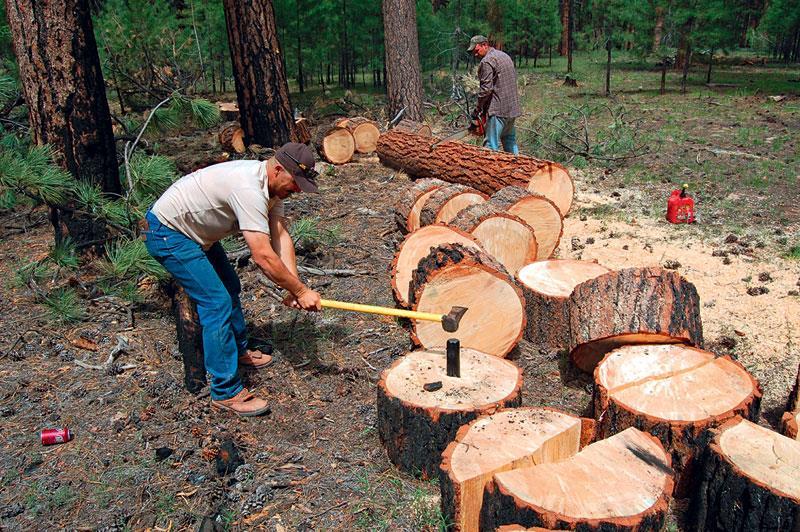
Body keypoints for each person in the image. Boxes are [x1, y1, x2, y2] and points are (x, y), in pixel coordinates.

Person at [142, 143, 322, 417]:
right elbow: (262, 256)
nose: (297, 189)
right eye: (295, 182)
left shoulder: (272, 187)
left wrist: (295, 288)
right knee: (216, 303)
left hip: (195, 233)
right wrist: (301, 289)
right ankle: (225, 393)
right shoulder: (249, 189)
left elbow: (281, 236)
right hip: (169, 234)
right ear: (277, 169)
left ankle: (236, 351)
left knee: (230, 287)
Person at [467, 35, 521, 155]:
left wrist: (478, 109)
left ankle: (488, 172)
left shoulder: (487, 61)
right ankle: (519, 170)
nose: (475, 55)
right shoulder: (503, 55)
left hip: (498, 109)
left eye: (476, 51)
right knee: (509, 141)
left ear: (484, 45)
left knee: (490, 146)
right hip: (512, 108)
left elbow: (486, 90)